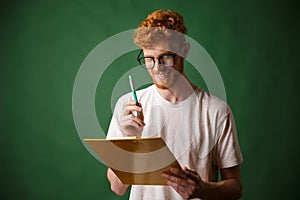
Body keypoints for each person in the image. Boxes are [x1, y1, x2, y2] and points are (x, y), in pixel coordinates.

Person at [106, 9, 243, 200]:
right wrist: (131, 140)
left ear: (184, 51)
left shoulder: (216, 111)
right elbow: (117, 187)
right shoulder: (128, 107)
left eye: (166, 58)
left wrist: (203, 189)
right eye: (149, 59)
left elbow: (235, 187)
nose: (157, 68)